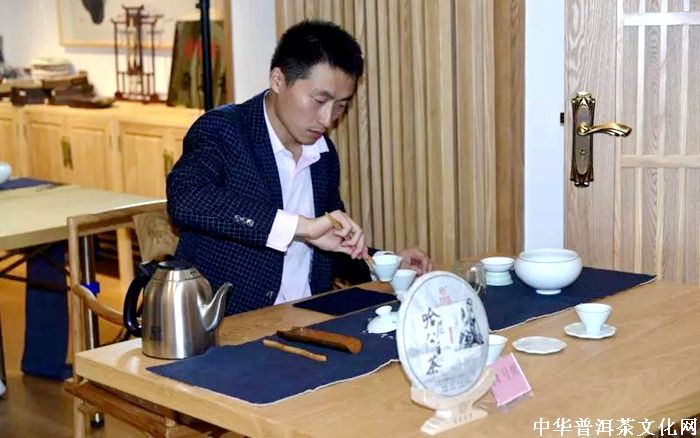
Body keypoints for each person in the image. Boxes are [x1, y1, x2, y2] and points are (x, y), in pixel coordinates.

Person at [167, 20, 432, 315]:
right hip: (229, 325)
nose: (328, 119)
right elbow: (186, 200)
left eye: (341, 106)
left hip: (310, 319)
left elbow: (329, 247)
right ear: (278, 80)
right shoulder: (224, 130)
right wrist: (300, 227)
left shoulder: (322, 154)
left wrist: (388, 263)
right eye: (319, 100)